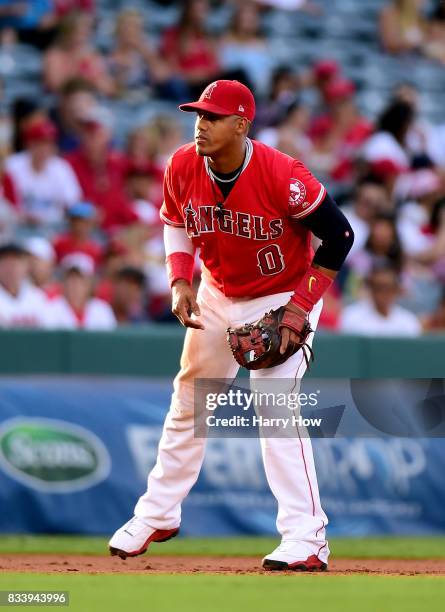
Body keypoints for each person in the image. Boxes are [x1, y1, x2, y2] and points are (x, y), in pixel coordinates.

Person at [109, 80, 354, 571]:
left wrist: (301, 306)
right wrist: (179, 280)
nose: (201, 124)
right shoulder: (181, 164)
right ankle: (157, 513)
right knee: (189, 400)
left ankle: (307, 538)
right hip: (216, 292)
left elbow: (339, 235)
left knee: (274, 406)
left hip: (282, 295)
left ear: (242, 125)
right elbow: (174, 220)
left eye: (213, 117)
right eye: (198, 114)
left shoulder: (282, 174)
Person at [5, 117, 82, 228]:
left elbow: (73, 204)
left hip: (52, 229)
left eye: (49, 143)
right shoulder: (12, 165)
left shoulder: (61, 168)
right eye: (40, 143)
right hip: (16, 226)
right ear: (29, 144)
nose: (44, 148)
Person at [340, 264, 421, 336]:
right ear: (370, 289)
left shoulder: (408, 321)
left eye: (389, 288)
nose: (383, 293)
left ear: (396, 290)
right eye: (378, 288)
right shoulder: (351, 316)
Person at [48, 252, 116, 330]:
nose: (75, 285)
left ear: (89, 284)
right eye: (70, 279)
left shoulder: (102, 309)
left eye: (80, 280)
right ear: (63, 283)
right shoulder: (51, 308)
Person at [0, 242, 49, 327]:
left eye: (15, 263)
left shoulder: (38, 297)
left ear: (26, 266)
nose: (10, 269)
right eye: (6, 263)